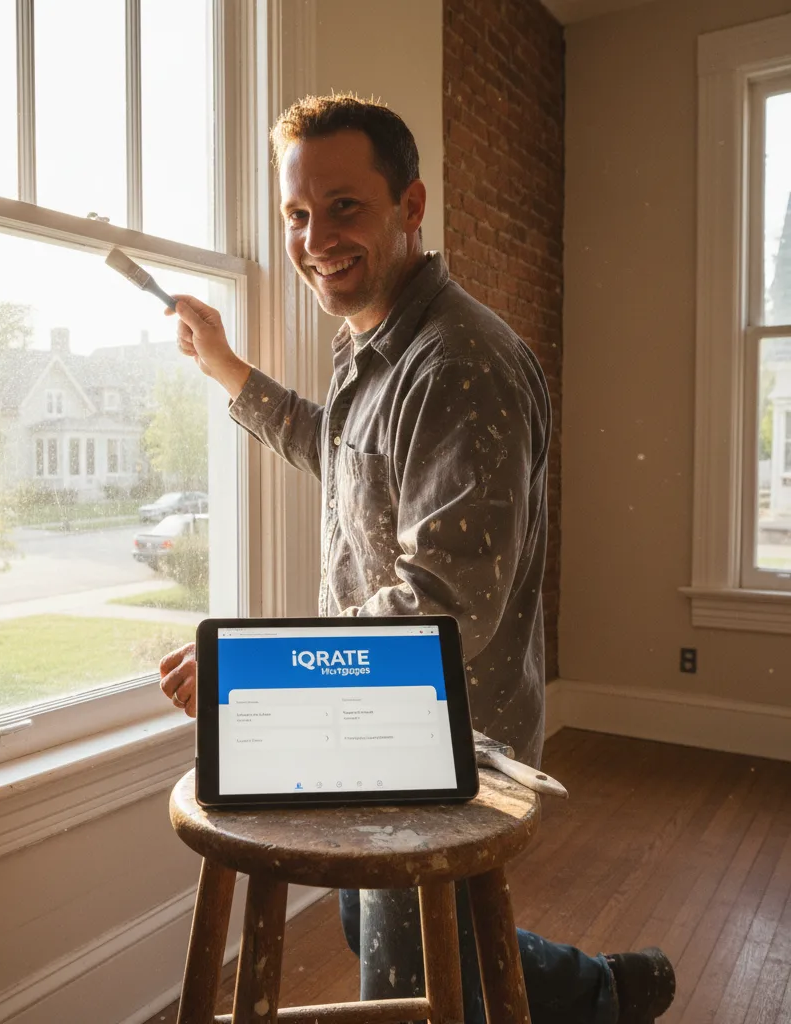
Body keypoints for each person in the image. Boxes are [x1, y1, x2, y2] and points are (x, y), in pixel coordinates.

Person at [157, 94, 675, 1024]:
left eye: (344, 206)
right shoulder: (377, 349)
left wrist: (254, 669)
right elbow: (341, 454)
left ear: (411, 205)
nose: (316, 237)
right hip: (376, 709)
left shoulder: (460, 363)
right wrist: (228, 370)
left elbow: (438, 605)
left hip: (447, 736)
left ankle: (596, 991)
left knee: (407, 973)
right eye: (297, 214)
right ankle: (603, 990)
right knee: (378, 929)